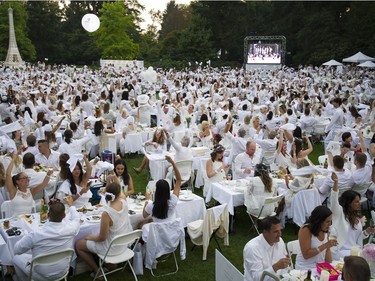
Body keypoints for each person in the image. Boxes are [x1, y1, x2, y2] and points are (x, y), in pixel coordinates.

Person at [13, 198, 80, 281]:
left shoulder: (36, 234)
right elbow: (76, 219)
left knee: (15, 258)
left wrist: (26, 236)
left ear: (48, 215)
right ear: (64, 216)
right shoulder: (71, 229)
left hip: (40, 275)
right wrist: (71, 206)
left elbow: (17, 250)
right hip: (62, 270)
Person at [75, 182, 132, 278]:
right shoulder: (124, 201)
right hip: (123, 245)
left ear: (107, 193)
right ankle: (111, 266)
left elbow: (102, 238)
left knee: (79, 244)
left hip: (110, 249)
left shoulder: (107, 213)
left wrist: (90, 237)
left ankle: (97, 272)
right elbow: (119, 191)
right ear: (119, 193)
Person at [330, 172, 375, 260]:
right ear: (349, 202)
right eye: (356, 202)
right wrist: (335, 182)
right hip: (342, 251)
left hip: (355, 249)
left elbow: (356, 238)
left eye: (359, 201)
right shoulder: (339, 213)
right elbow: (334, 200)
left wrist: (367, 231)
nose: (359, 204)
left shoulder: (357, 217)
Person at [141, 155, 181, 241]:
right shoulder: (173, 201)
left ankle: (140, 244)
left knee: (141, 224)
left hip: (158, 236)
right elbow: (178, 180)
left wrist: (147, 200)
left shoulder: (151, 206)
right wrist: (172, 163)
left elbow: (144, 215)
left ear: (156, 191)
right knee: (149, 221)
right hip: (170, 234)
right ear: (168, 190)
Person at [243, 216, 290, 281]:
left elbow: (285, 268)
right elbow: (257, 278)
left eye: (280, 230)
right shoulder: (252, 248)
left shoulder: (280, 241)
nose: (280, 234)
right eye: (276, 231)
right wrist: (276, 267)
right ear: (265, 232)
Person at [295, 206, 337, 270]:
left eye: (330, 221)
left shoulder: (326, 230)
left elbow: (327, 251)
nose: (329, 224)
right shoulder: (306, 230)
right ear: (319, 221)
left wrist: (330, 267)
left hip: (320, 267)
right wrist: (325, 245)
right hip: (305, 267)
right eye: (327, 221)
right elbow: (306, 255)